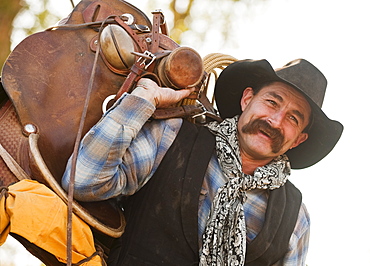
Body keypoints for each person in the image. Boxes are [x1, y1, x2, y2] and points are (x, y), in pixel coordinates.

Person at [62, 58, 343, 265]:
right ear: (247, 99)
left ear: (298, 140)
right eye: (272, 102)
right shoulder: (172, 138)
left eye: (293, 118)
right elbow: (83, 182)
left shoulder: (296, 219)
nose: (275, 121)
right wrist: (144, 99)